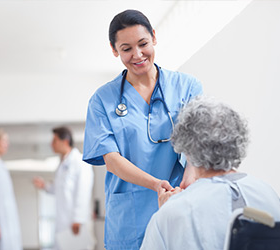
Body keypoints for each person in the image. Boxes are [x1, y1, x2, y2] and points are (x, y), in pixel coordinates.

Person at [82, 9, 203, 249]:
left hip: (176, 197)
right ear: (114, 50)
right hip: (129, 214)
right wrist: (155, 184)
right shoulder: (102, 100)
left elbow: (197, 143)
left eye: (143, 43)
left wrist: (188, 183)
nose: (137, 55)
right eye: (126, 49)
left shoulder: (187, 86)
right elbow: (112, 160)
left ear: (154, 37)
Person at [141, 96, 280, 249]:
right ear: (238, 139)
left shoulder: (175, 212)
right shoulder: (268, 194)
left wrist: (167, 211)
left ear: (186, 146)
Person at [33, 126, 95, 250]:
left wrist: (78, 218)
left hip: (75, 222)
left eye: (54, 141)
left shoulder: (79, 161)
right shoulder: (62, 164)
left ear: (65, 141)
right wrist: (45, 186)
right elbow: (59, 189)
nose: (52, 144)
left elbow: (83, 191)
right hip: (62, 220)